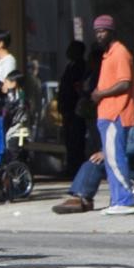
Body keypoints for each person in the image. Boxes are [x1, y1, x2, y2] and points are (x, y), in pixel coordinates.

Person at [52, 89, 134, 212]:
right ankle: (81, 197)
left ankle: (82, 198)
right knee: (94, 161)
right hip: (124, 158)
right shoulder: (132, 118)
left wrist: (108, 153)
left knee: (100, 161)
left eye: (133, 103)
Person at [89, 15, 134, 215]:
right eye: (96, 31)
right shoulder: (108, 54)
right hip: (107, 113)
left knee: (115, 158)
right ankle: (117, 199)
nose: (99, 35)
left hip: (116, 113)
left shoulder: (120, 52)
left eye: (102, 31)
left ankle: (125, 200)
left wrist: (100, 93)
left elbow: (124, 83)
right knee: (111, 157)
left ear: (112, 32)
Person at [56, 40, 91, 180]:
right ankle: (70, 167)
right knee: (69, 140)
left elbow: (76, 87)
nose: (68, 52)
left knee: (76, 140)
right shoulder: (70, 66)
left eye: (71, 49)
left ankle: (76, 169)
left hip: (75, 108)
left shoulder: (80, 66)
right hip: (67, 108)